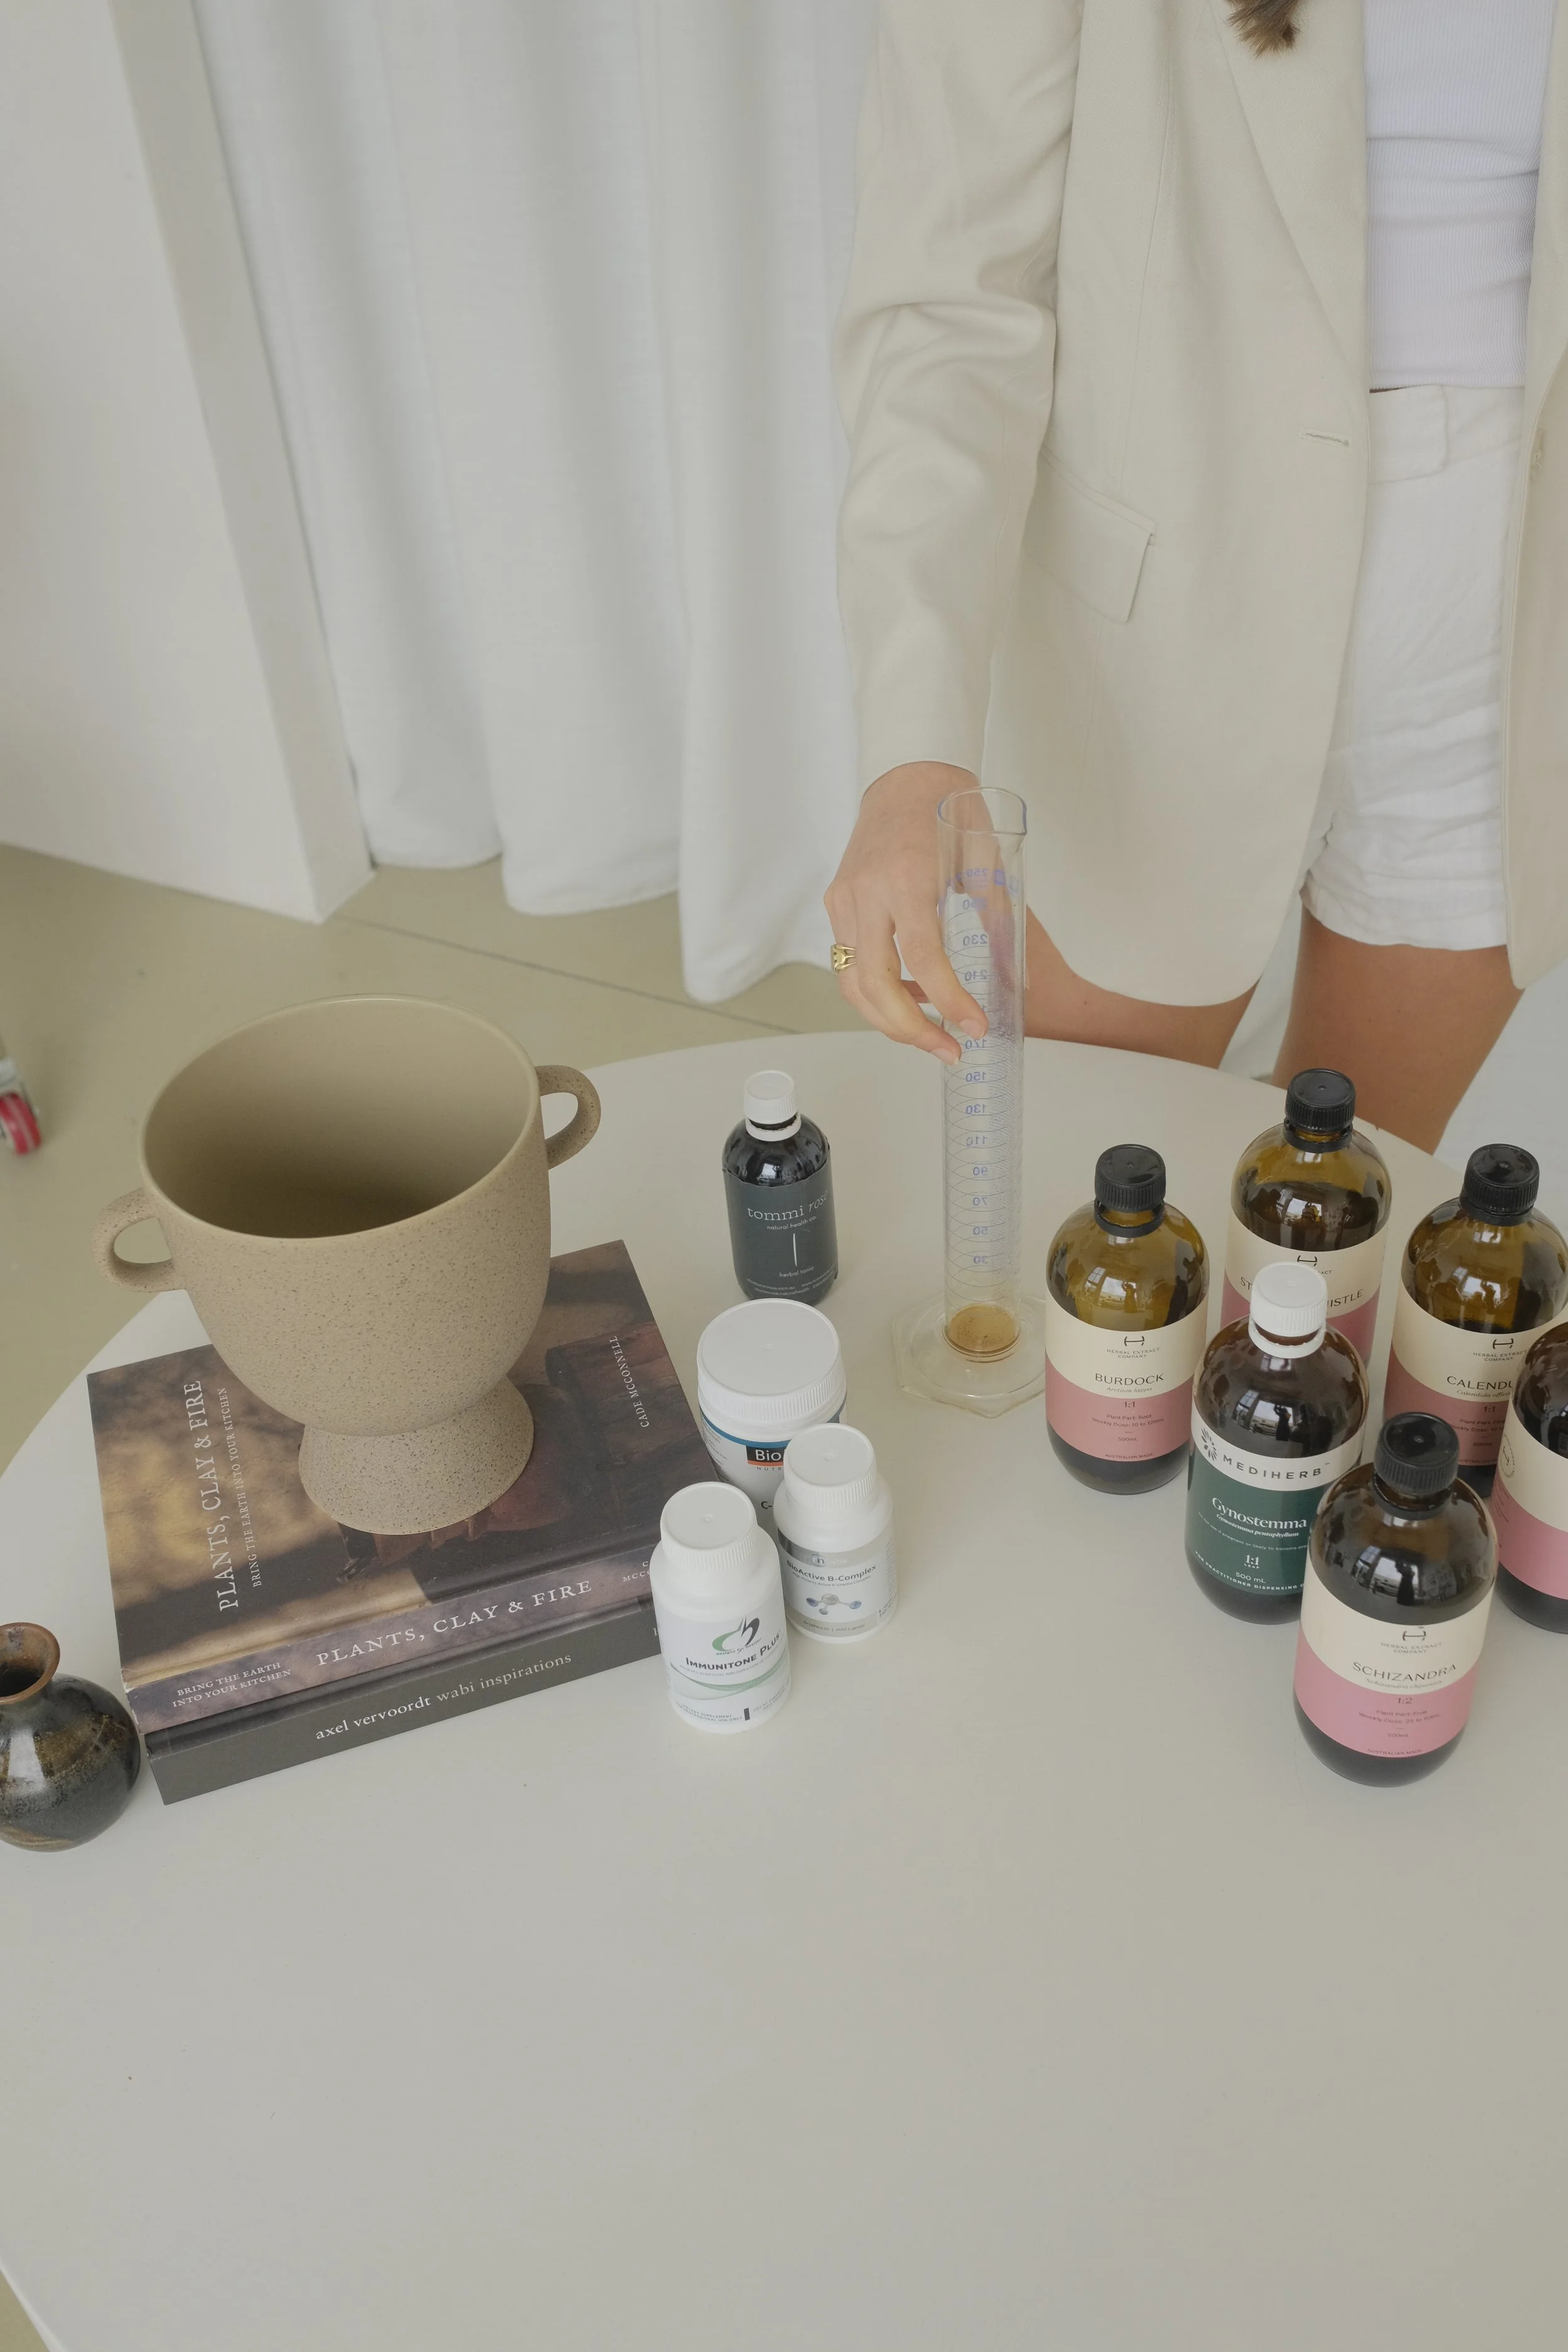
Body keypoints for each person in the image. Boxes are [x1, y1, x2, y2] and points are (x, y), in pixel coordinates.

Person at [825, 0, 1565, 1150]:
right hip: (1164, 627)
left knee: (1340, 1195)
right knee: (1068, 1185)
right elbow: (952, 308)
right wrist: (913, 750)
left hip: (1514, 625)